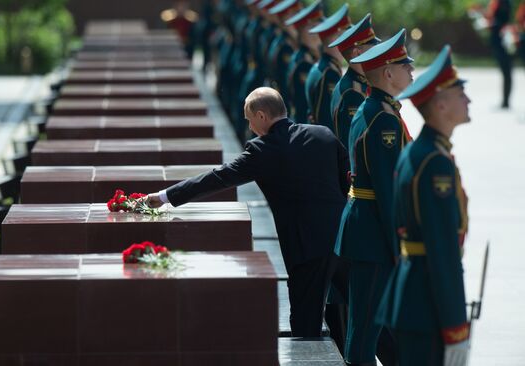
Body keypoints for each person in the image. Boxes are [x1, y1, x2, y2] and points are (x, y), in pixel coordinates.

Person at [145, 87, 350, 338]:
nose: (250, 126)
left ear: (261, 115)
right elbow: (345, 180)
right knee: (361, 312)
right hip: (346, 235)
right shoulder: (323, 135)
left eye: (249, 119)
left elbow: (216, 178)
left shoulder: (262, 150)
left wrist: (164, 197)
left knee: (306, 325)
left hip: (306, 246)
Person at [376, 45, 471, 366]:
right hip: (427, 304)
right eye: (461, 94)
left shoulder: (424, 153)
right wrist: (456, 326)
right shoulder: (434, 163)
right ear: (441, 105)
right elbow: (441, 249)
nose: (468, 100)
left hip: (415, 297)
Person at [336, 29, 414, 365]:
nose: (412, 72)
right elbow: (386, 188)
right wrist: (401, 245)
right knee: (365, 331)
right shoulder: (383, 119)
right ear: (387, 73)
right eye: (405, 66)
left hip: (366, 229)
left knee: (372, 325)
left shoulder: (378, 109)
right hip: (374, 234)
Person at [328, 13, 380, 149]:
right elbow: (353, 144)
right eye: (372, 48)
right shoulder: (353, 92)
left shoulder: (355, 84)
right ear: (357, 53)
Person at [305, 3, 352, 127]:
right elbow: (327, 121)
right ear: (337, 39)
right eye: (345, 36)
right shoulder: (329, 73)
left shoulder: (323, 66)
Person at [285, 0, 323, 123]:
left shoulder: (306, 56)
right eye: (312, 28)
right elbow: (305, 104)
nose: (317, 33)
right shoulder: (304, 63)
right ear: (301, 31)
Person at [486, 0, 513, 108]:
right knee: (505, 72)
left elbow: (504, 21)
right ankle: (505, 100)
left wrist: (492, 24)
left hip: (504, 42)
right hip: (499, 41)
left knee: (507, 71)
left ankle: (506, 101)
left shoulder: (504, 2)